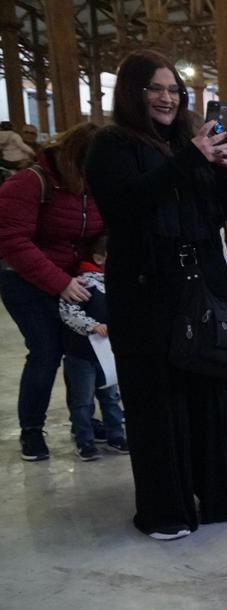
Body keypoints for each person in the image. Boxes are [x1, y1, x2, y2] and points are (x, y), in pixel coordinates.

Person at [86, 49, 227, 540]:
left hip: (202, 286)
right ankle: (166, 509)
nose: (166, 98)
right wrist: (190, 157)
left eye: (174, 90)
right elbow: (127, 202)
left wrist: (225, 167)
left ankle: (220, 496)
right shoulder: (110, 144)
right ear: (133, 94)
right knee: (158, 402)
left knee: (212, 390)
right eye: (155, 89)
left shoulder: (189, 141)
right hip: (146, 291)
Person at [0, 122, 105, 462]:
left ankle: (83, 422)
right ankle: (31, 431)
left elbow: (95, 233)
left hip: (74, 281)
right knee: (46, 352)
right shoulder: (29, 182)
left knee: (81, 353)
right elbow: (11, 241)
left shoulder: (94, 184)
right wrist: (59, 282)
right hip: (25, 281)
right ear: (73, 159)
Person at [58, 235, 127, 461]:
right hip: (81, 356)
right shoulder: (84, 282)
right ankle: (85, 441)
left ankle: (116, 435)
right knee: (82, 401)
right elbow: (68, 312)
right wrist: (92, 326)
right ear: (99, 258)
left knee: (111, 396)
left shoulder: (118, 283)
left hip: (107, 356)